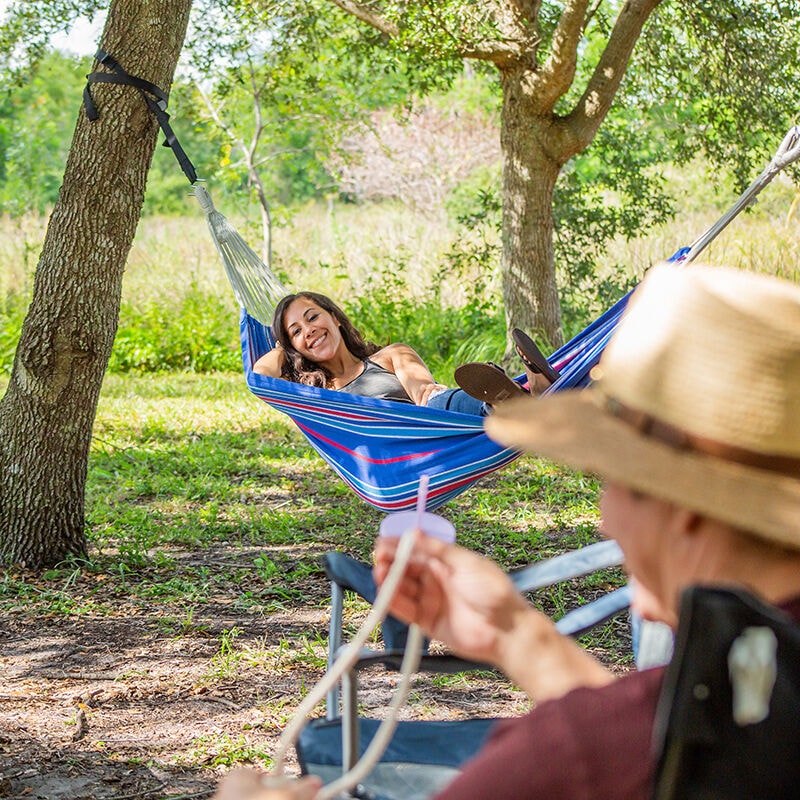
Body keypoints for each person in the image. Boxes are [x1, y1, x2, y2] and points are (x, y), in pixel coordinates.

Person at [214, 262, 800, 799]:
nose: (603, 517)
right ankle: (527, 395)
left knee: (455, 406)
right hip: (400, 446)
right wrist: (519, 635)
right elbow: (653, 723)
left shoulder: (580, 751)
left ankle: (519, 398)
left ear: (684, 506)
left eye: (613, 476)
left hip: (433, 422)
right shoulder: (745, 695)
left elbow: (618, 738)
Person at [252, 291, 556, 415]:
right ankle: (525, 394)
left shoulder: (391, 355)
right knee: (451, 406)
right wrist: (283, 346)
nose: (308, 330)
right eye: (296, 331)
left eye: (312, 317)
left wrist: (430, 395)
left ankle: (508, 397)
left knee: (438, 402)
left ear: (335, 317)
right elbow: (259, 378)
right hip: (391, 457)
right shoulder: (314, 394)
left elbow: (422, 391)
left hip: (426, 427)